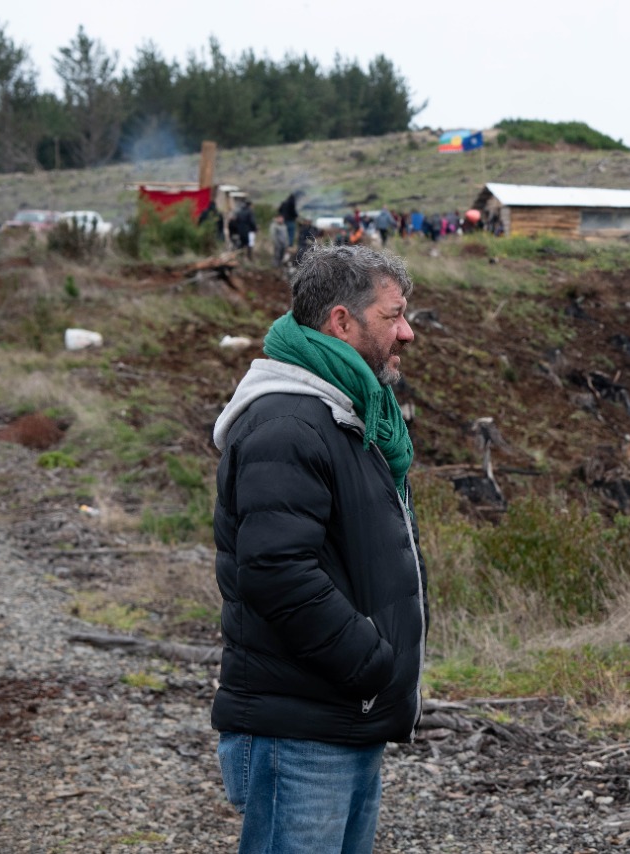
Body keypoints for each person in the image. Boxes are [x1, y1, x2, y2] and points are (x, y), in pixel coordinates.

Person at [211, 243, 425, 853]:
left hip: (337, 715)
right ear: (341, 322)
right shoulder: (290, 421)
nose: (407, 333)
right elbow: (276, 570)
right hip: (301, 729)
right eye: (394, 315)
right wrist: (370, 661)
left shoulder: (348, 417)